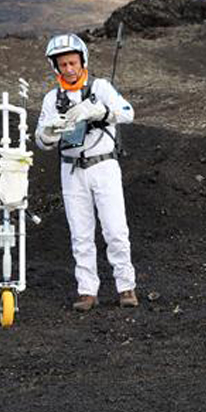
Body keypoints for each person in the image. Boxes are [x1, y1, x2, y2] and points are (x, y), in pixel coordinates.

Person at [35, 33, 138, 311]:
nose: (69, 69)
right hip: (71, 170)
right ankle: (87, 291)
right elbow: (40, 141)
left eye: (72, 63)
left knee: (115, 229)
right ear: (55, 67)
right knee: (80, 233)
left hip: (103, 165)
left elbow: (128, 112)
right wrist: (48, 133)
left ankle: (126, 286)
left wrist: (99, 111)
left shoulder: (100, 87)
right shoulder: (51, 99)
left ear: (82, 61)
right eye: (63, 65)